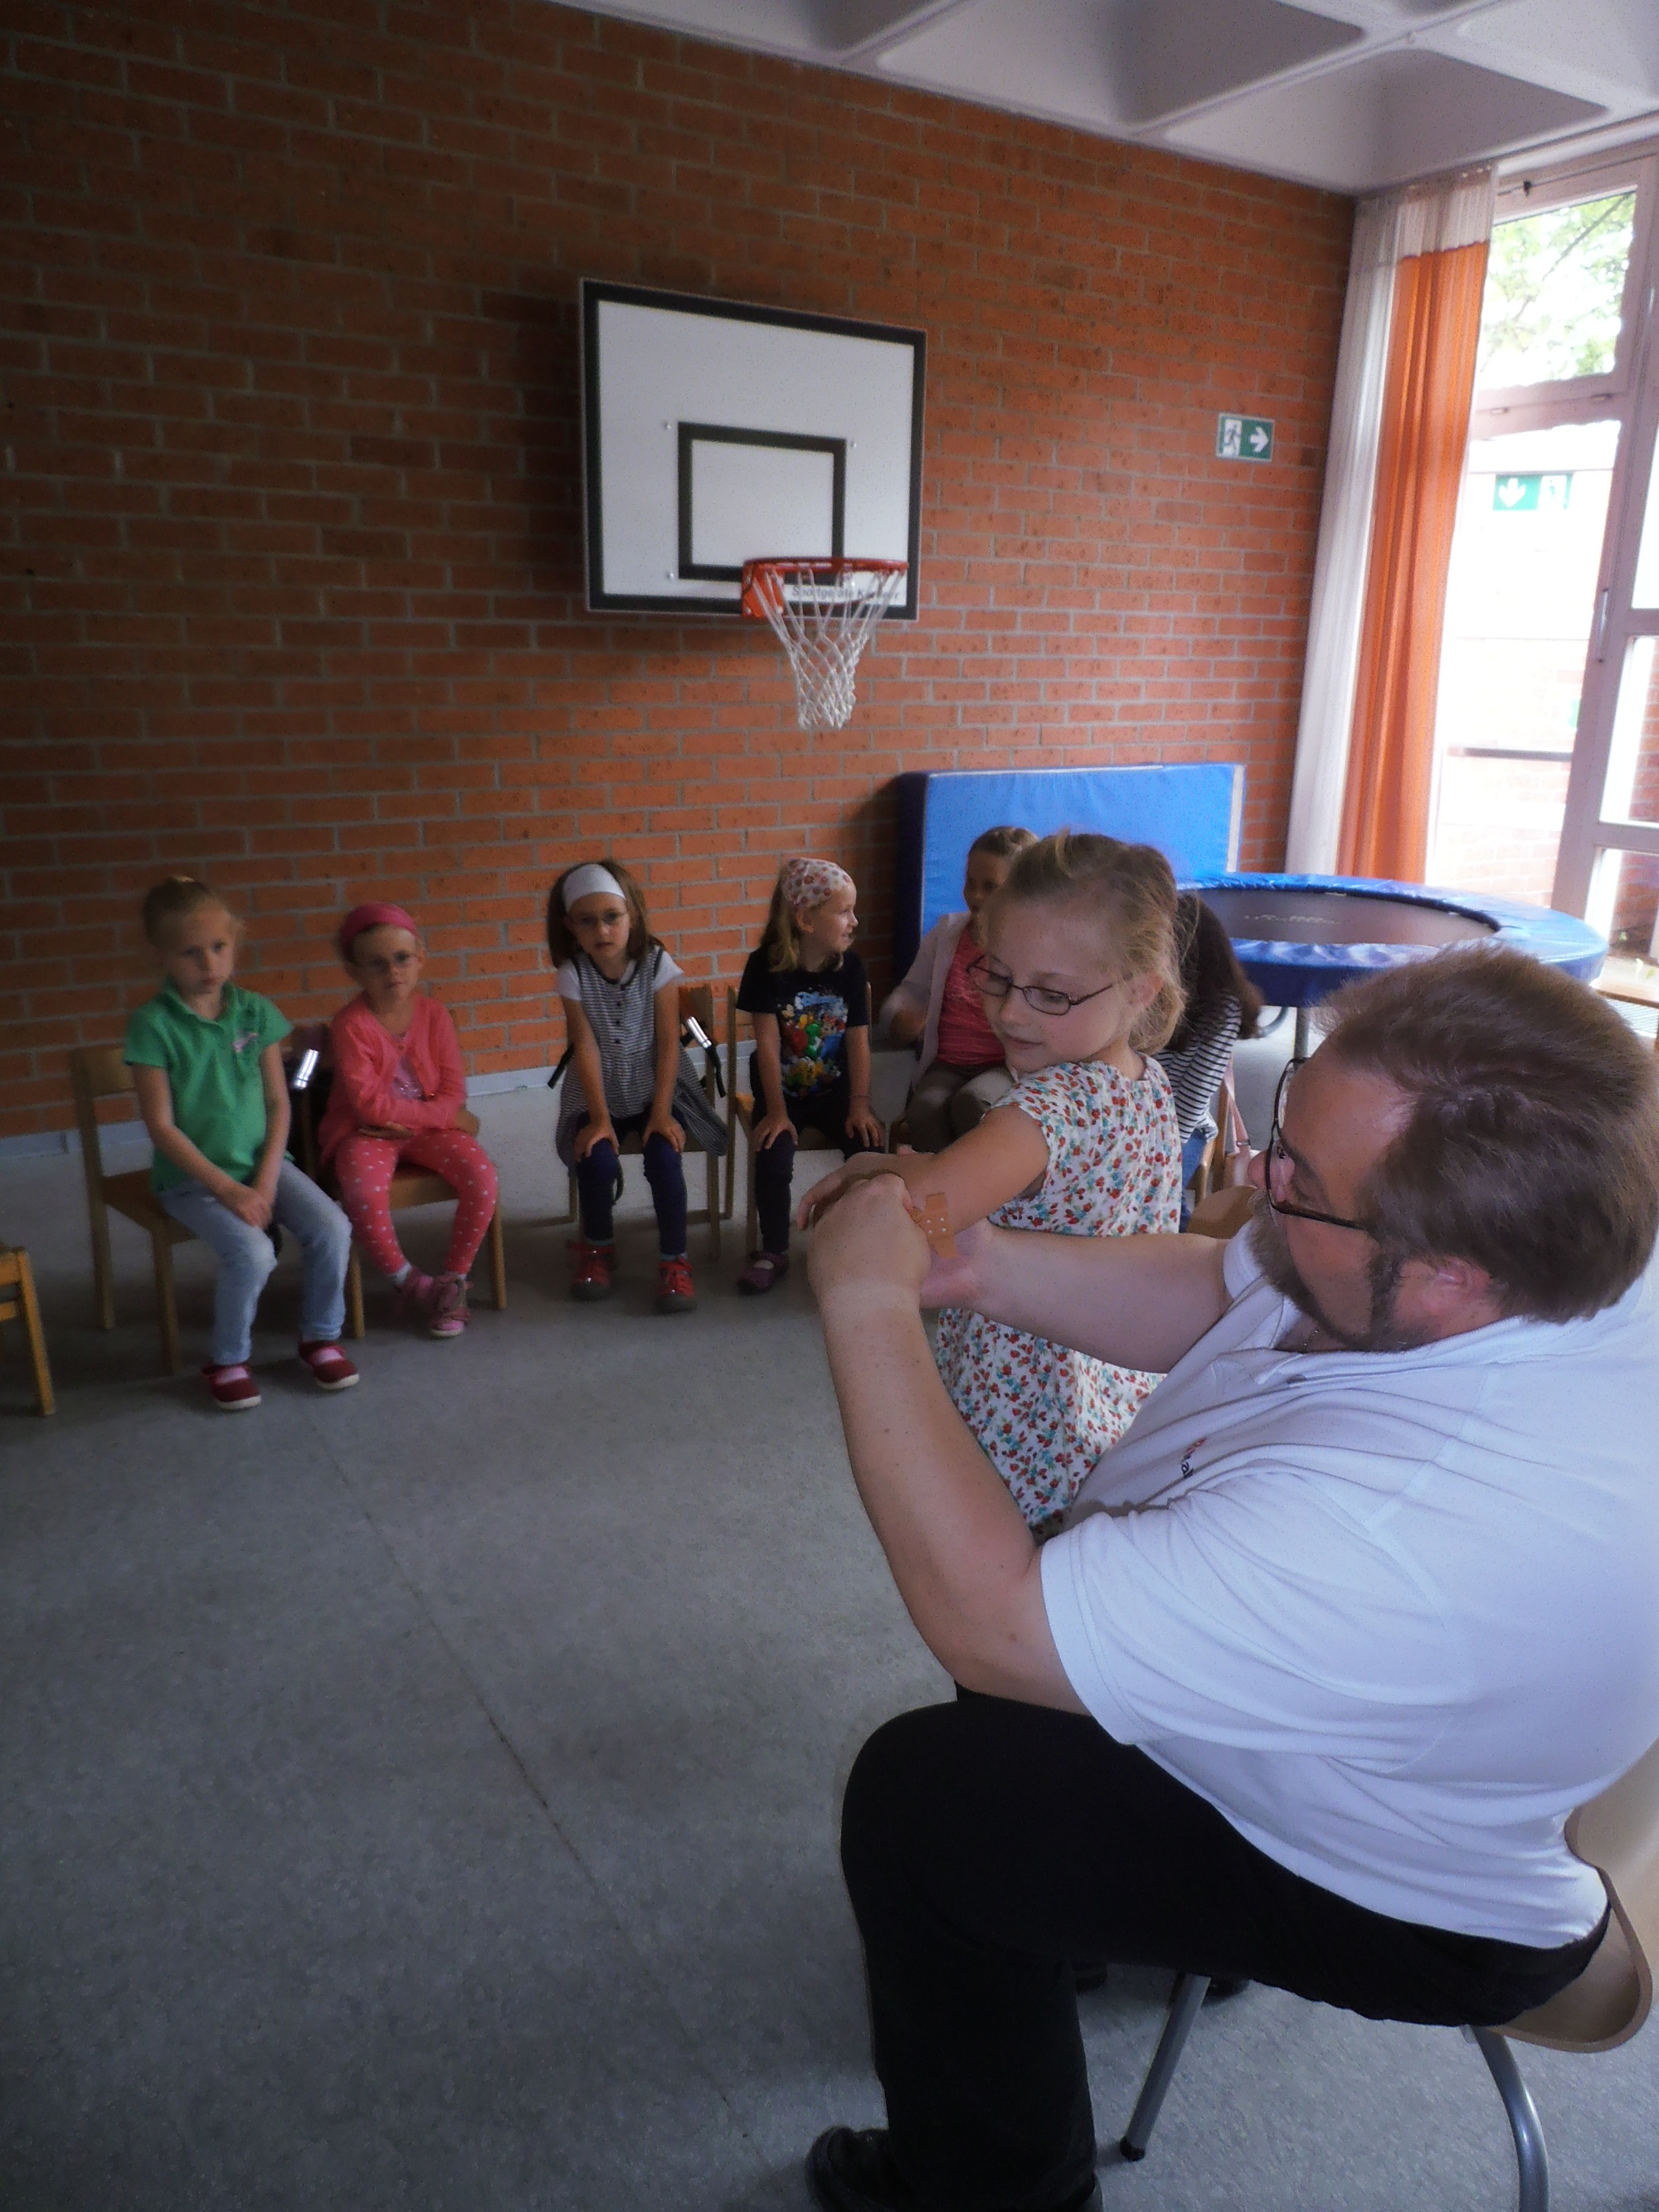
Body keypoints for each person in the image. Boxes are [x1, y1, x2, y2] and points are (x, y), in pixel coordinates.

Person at [800, 946, 1659, 2212]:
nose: (1254, 1182)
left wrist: (867, 1304)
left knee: (926, 1802)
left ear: (1452, 1271)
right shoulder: (1529, 1236)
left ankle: (990, 2194)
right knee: (1019, 1730)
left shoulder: (1409, 1526)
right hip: (1406, 1734)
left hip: (1405, 1888)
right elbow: (1231, 1288)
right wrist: (985, 1266)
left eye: (1296, 1181)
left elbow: (996, 1625)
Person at [804, 831, 1183, 1534]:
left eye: (1049, 993)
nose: (1010, 1012)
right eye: (998, 976)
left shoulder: (1046, 1108)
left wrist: (881, 1171)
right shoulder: (1151, 1085)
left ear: (1140, 989)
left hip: (1026, 1408)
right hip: (1112, 1390)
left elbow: (932, 1213)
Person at [124, 876, 358, 1412]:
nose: (208, 963)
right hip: (194, 1180)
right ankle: (228, 1358)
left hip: (264, 1165)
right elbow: (162, 1127)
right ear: (160, 954)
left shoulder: (255, 1012)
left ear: (235, 943)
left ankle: (320, 1336)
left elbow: (280, 1104)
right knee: (252, 1254)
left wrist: (268, 1178)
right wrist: (230, 1189)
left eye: (218, 946)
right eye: (189, 951)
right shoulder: (153, 1025)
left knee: (333, 1226)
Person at [548, 858, 725, 1314]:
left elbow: (670, 1044)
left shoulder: (657, 964)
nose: (602, 930)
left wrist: (662, 1112)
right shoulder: (573, 973)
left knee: (665, 1156)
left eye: (612, 917)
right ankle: (598, 1248)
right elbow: (584, 1046)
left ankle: (674, 1261)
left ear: (633, 915)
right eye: (587, 921)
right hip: (598, 1090)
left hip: (655, 1088)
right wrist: (601, 1119)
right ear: (570, 926)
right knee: (596, 1157)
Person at [318, 902, 499, 1340]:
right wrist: (442, 1115)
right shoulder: (350, 1025)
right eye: (376, 964)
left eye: (402, 958)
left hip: (427, 1129)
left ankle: (453, 1280)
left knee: (482, 1176)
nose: (393, 972)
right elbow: (369, 1107)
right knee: (362, 1190)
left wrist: (429, 1119)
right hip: (366, 1133)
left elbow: (455, 1089)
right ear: (355, 971)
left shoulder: (434, 1015)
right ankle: (412, 1284)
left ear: (420, 958)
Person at [733, 855, 883, 1296]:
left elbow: (858, 1040)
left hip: (834, 1090)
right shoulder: (764, 966)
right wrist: (777, 1111)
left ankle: (860, 1241)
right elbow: (766, 1045)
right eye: (843, 911)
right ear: (804, 919)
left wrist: (859, 1103)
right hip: (782, 1091)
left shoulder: (851, 968)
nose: (854, 921)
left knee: (869, 1147)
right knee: (773, 1154)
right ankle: (773, 1249)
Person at [882, 825, 1034, 1150]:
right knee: (925, 1110)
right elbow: (909, 991)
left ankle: (986, 1193)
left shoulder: (1028, 946)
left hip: (1004, 1066)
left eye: (990, 887)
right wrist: (899, 1017)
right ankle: (946, 1192)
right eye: (970, 883)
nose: (976, 896)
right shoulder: (947, 934)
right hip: (949, 1064)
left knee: (975, 1102)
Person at [1155, 891, 1262, 1212]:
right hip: (1138, 1119)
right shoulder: (1150, 992)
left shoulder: (1221, 1011)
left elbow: (1192, 1102)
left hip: (1180, 1131)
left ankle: (1177, 1236)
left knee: (1159, 1196)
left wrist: (1152, 1150)